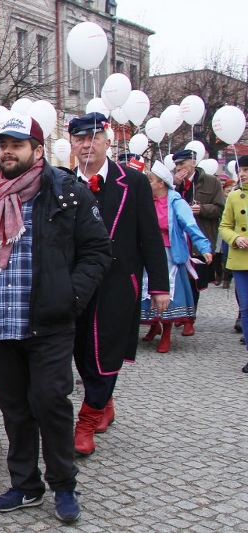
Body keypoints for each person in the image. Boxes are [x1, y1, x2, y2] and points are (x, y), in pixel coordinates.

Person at [0, 114, 111, 523]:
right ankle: (25, 485)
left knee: (50, 402)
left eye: (18, 144)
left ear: (38, 150)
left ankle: (63, 484)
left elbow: (98, 251)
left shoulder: (66, 192)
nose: (8, 151)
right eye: (4, 144)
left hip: (49, 321)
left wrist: (70, 296)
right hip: (0, 322)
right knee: (14, 408)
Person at [69, 112, 169, 457]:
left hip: (117, 282)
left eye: (93, 138)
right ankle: (103, 400)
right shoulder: (62, 182)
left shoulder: (134, 182)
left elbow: (150, 235)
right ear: (72, 144)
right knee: (80, 349)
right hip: (75, 283)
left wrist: (159, 285)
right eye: (80, 139)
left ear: (107, 141)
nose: (87, 145)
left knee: (106, 349)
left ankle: (87, 420)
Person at [140, 161, 212, 353]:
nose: (148, 184)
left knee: (169, 291)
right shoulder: (145, 201)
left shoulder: (176, 202)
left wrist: (204, 247)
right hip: (147, 251)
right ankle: (154, 325)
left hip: (169, 253)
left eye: (151, 181)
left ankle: (166, 332)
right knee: (147, 289)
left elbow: (190, 225)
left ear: (161, 183)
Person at [172, 149, 225, 336]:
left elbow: (220, 208)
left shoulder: (211, 181)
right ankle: (180, 312)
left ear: (193, 162)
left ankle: (190, 318)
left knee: (195, 280)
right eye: (176, 164)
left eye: (182, 163)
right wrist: (175, 185)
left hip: (198, 237)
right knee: (178, 278)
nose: (179, 168)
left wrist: (202, 209)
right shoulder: (173, 183)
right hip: (178, 238)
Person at [219, 155, 248, 373]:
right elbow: (224, 226)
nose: (243, 174)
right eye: (241, 170)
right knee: (246, 308)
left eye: (246, 170)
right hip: (241, 259)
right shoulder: (235, 196)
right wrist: (235, 238)